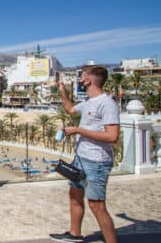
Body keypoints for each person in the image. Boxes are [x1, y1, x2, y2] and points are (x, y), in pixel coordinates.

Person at [50, 66, 120, 243]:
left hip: (97, 162)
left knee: (97, 206)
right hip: (81, 158)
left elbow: (112, 136)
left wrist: (78, 130)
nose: (80, 79)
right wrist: (62, 90)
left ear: (88, 80)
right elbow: (70, 109)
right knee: (74, 195)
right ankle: (74, 234)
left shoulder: (107, 103)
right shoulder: (89, 101)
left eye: (82, 76)